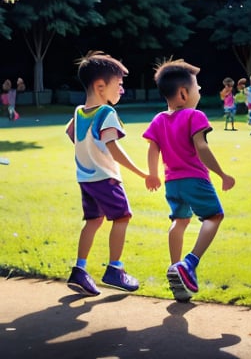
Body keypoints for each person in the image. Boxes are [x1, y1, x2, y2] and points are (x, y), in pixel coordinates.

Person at [143, 59, 235, 302]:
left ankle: (176, 272)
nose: (200, 90)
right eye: (197, 87)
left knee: (180, 221)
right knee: (214, 216)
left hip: (172, 183)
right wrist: (222, 174)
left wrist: (152, 174)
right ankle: (189, 264)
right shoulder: (195, 116)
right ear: (183, 93)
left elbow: (153, 149)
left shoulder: (158, 119)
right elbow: (202, 148)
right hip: (195, 179)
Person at [66, 51, 149, 297]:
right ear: (101, 86)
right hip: (105, 178)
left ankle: (80, 269)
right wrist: (141, 173)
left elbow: (73, 135)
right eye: (119, 85)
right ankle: (115, 268)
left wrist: (89, 153)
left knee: (93, 221)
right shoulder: (106, 113)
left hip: (85, 178)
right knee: (122, 217)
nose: (122, 90)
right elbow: (114, 148)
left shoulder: (79, 111)